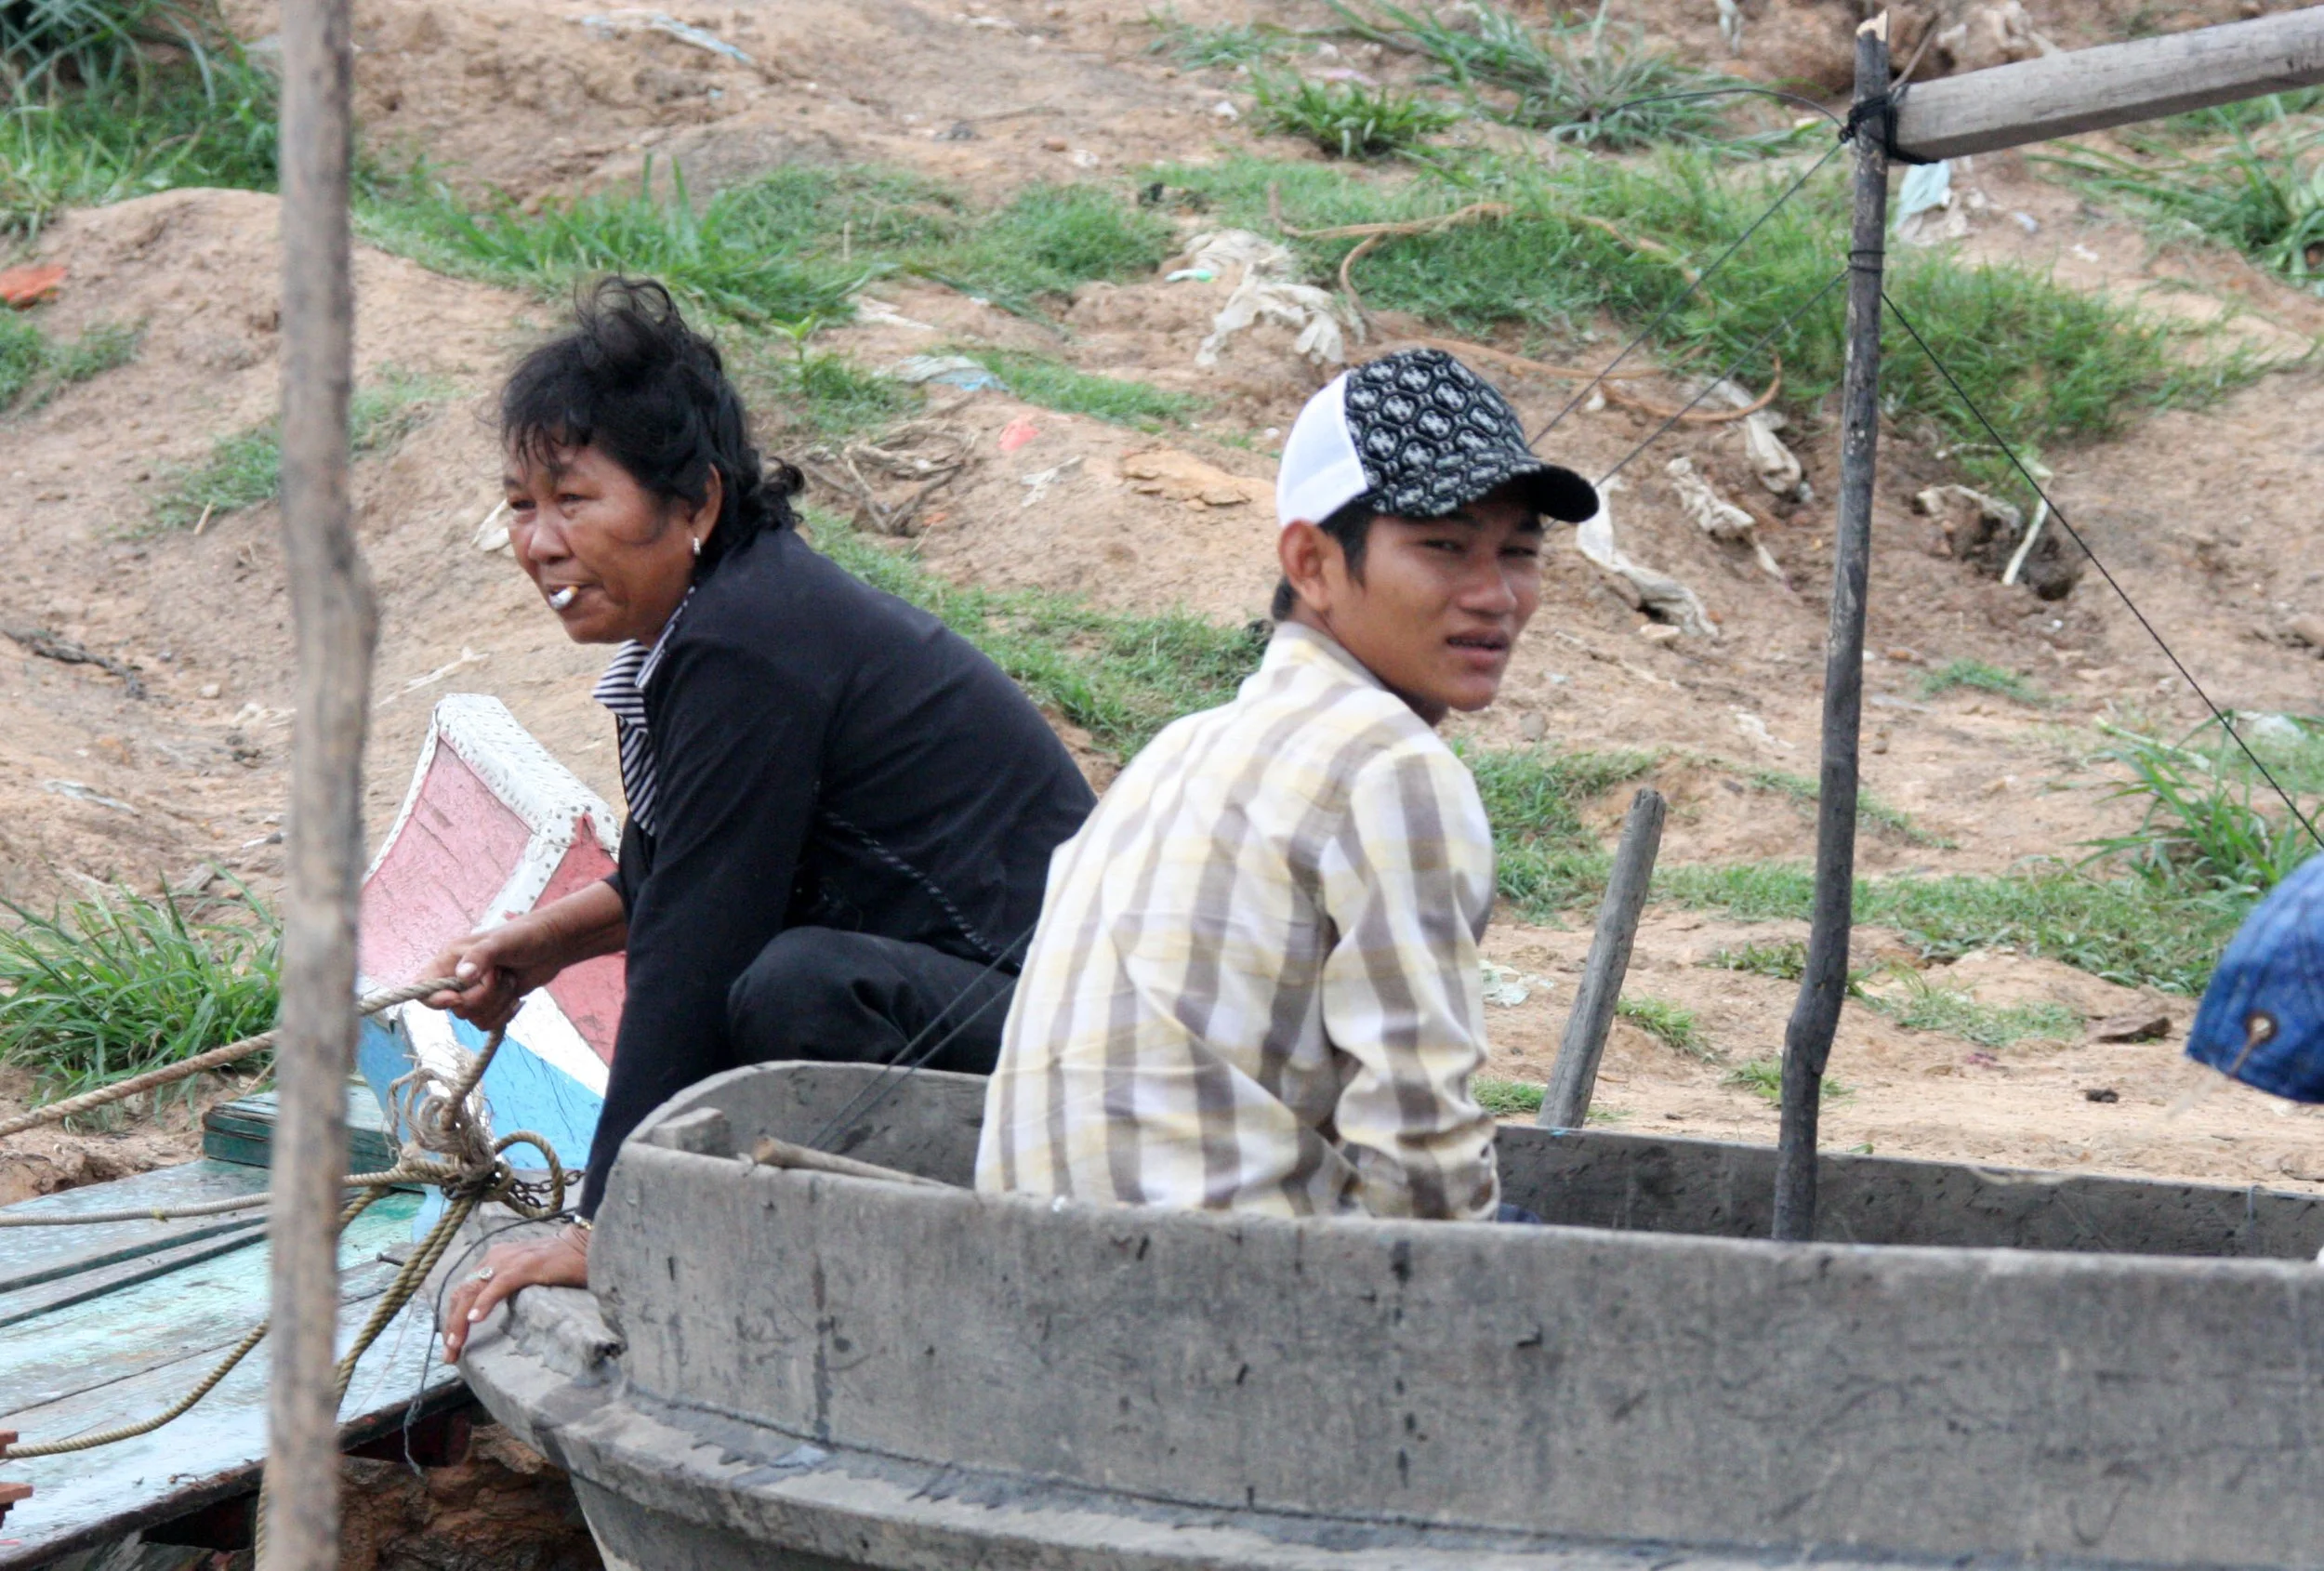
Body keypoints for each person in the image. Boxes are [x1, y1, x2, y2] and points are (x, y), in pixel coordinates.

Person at [437, 279, 1095, 1356]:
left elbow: (696, 936)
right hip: (980, 991)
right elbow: (680, 869)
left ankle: (888, 1283)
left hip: (1077, 1037)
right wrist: (541, 944)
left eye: (574, 499)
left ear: (694, 503)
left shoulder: (745, 646)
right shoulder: (716, 624)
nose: (540, 542)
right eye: (521, 505)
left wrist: (607, 1224)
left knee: (794, 989)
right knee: (776, 977)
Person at [976, 348, 1597, 1221]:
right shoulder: (1392, 765)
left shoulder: (1179, 747)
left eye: (1519, 552)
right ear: (1311, 562)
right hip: (1243, 1282)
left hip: (1030, 1256)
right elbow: (1423, 1164)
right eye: (1445, 547)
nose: (1495, 595)